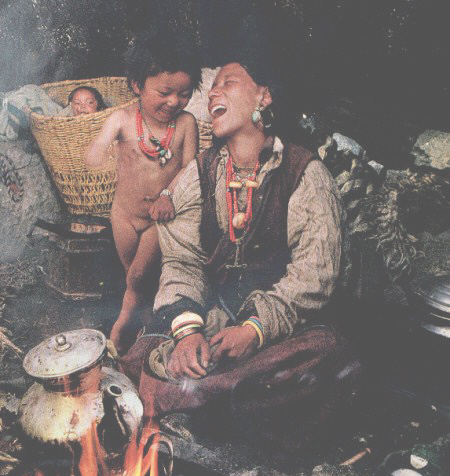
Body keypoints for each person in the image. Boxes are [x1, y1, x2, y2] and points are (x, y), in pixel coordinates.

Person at [121, 57, 361, 443]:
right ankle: (211, 402)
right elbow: (182, 261)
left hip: (278, 330)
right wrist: (188, 334)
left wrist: (254, 329)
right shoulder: (201, 172)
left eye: (228, 83)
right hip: (213, 321)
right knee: (145, 349)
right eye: (212, 86)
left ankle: (187, 403)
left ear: (263, 96)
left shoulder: (305, 173)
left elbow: (314, 274)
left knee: (326, 354)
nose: (213, 93)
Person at [86, 31, 201, 354]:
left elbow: (190, 168)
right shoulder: (122, 119)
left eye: (184, 94)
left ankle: (121, 327)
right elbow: (97, 147)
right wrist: (96, 151)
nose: (174, 102)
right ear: (137, 85)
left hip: (158, 219)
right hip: (123, 215)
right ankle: (149, 324)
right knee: (135, 278)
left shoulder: (186, 124)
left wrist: (168, 195)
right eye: (164, 92)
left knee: (137, 277)